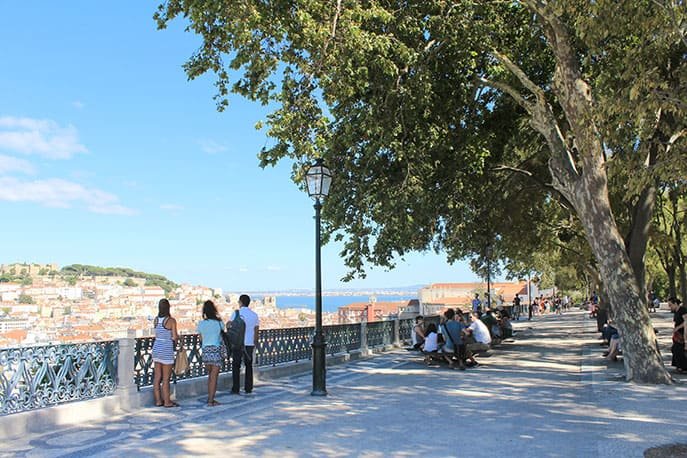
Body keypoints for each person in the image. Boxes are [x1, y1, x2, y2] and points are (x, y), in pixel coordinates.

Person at [228, 294, 260, 394]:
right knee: (249, 365)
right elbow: (256, 330)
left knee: (236, 365)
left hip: (238, 343)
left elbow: (229, 325)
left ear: (241, 302)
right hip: (249, 343)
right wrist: (255, 342)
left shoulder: (236, 313)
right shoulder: (254, 315)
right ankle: (248, 388)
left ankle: (236, 388)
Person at [151, 298, 179, 408]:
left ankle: (158, 400)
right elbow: (174, 336)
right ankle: (167, 402)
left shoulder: (156, 320)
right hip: (166, 349)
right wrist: (176, 340)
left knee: (157, 377)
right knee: (166, 378)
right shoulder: (171, 320)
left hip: (156, 348)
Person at [197, 300, 225, 406]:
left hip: (205, 351)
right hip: (216, 351)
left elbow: (200, 338)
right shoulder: (219, 323)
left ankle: (210, 398)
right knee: (214, 377)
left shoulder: (201, 324)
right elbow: (222, 333)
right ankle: (210, 400)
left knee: (210, 376)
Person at [669, 297, 687, 373]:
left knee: (679, 349)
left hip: (683, 333)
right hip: (678, 334)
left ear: (675, 303)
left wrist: (678, 328)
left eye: (670, 305)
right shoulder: (676, 312)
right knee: (675, 349)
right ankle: (679, 366)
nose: (670, 307)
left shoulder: (683, 310)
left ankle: (683, 367)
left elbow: (686, 322)